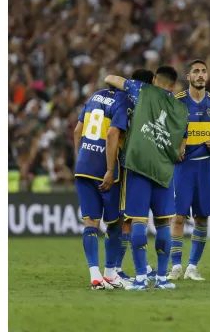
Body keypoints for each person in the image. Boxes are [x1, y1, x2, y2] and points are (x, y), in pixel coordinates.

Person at [104, 66, 187, 290]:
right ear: (173, 85)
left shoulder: (141, 89)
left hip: (138, 165)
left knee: (137, 220)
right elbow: (181, 149)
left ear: (153, 79)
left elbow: (110, 77)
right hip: (164, 170)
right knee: (162, 223)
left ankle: (141, 278)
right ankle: (161, 278)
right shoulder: (180, 108)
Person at [167, 59, 210, 281]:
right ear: (189, 77)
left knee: (202, 218)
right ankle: (175, 266)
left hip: (204, 166)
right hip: (181, 168)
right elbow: (163, 131)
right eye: (196, 72)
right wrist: (174, 147)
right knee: (179, 217)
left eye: (204, 71)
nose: (201, 75)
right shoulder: (176, 102)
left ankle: (192, 267)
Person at [73, 85, 132, 290]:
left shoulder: (93, 96)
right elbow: (112, 134)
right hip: (105, 169)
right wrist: (109, 169)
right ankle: (109, 273)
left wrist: (80, 156)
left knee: (90, 223)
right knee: (115, 222)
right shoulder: (123, 100)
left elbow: (77, 130)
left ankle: (95, 275)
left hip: (83, 166)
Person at [109, 69, 156, 283]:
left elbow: (109, 78)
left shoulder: (129, 96)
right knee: (129, 218)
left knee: (133, 217)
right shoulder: (136, 100)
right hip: (129, 163)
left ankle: (136, 264)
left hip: (129, 160)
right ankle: (117, 267)